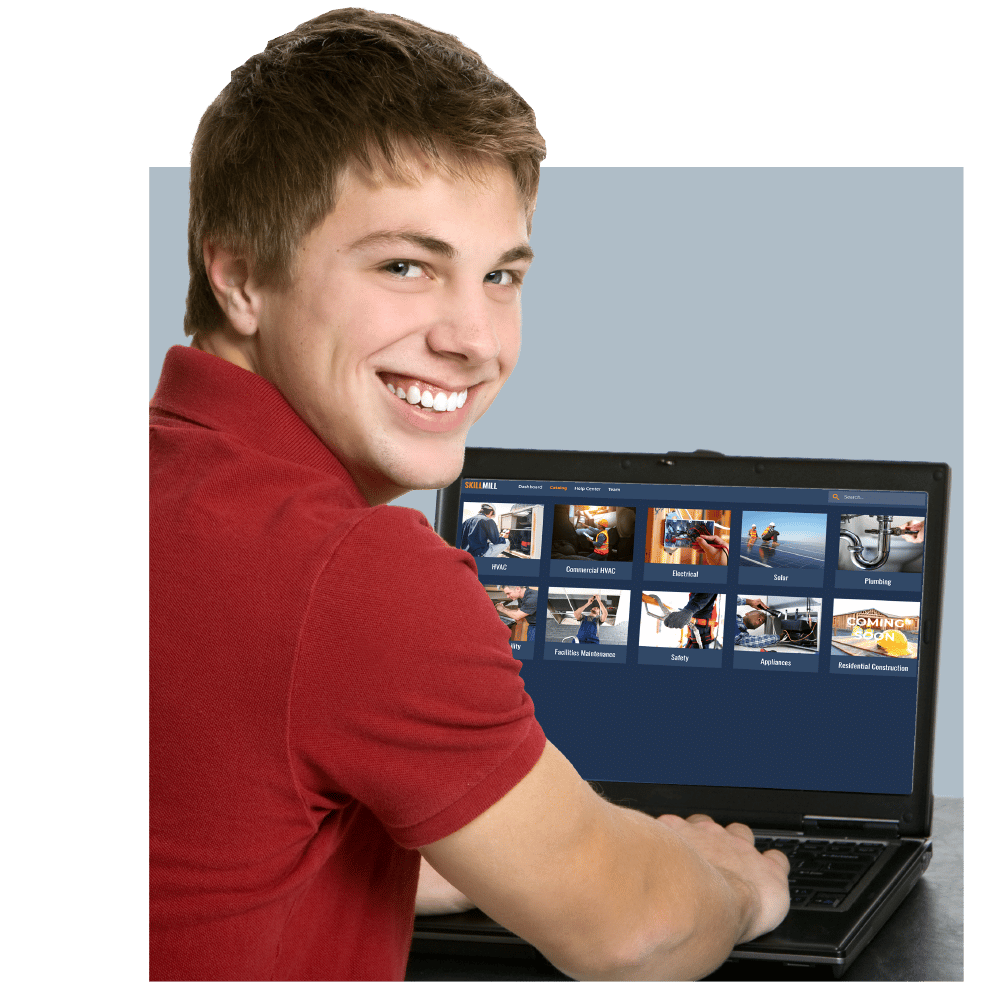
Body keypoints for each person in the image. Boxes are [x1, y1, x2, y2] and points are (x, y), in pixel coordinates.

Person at [150, 9, 788, 981]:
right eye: (406, 265)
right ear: (239, 276)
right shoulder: (352, 574)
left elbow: (202, 853)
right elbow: (636, 931)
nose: (475, 339)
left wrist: (461, 855)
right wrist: (735, 882)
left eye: (500, 275)